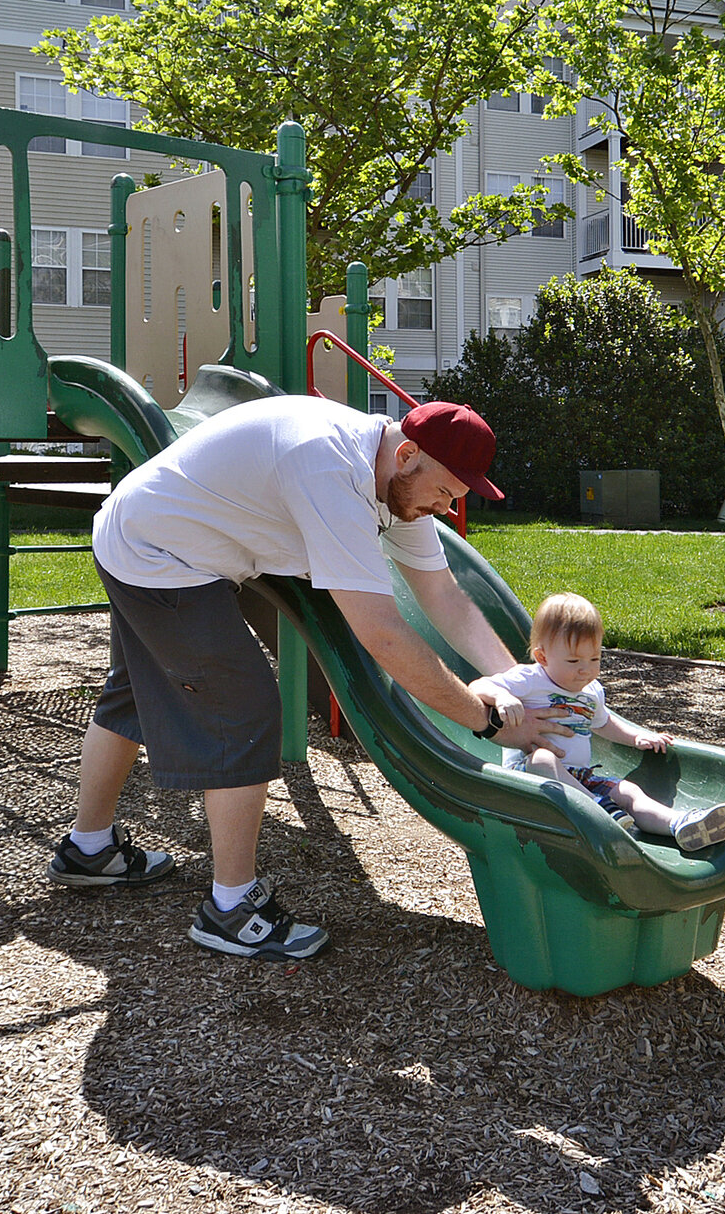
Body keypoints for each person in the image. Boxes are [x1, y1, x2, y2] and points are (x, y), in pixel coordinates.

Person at [51, 395, 569, 961]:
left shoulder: (398, 481)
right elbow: (384, 635)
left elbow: (442, 595)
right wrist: (484, 721)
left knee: (131, 696)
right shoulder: (330, 467)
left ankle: (89, 849)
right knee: (243, 711)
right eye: (444, 493)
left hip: (152, 531)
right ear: (408, 454)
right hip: (158, 555)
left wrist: (517, 681)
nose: (445, 508)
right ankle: (231, 909)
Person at [494, 592, 725, 851]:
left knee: (629, 791)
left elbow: (603, 723)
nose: (586, 669)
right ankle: (598, 809)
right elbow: (480, 686)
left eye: (595, 659)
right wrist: (501, 696)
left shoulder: (591, 691)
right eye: (574, 661)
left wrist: (635, 737)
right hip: (526, 776)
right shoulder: (529, 679)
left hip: (578, 778)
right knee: (543, 758)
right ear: (543, 657)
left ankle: (680, 824)